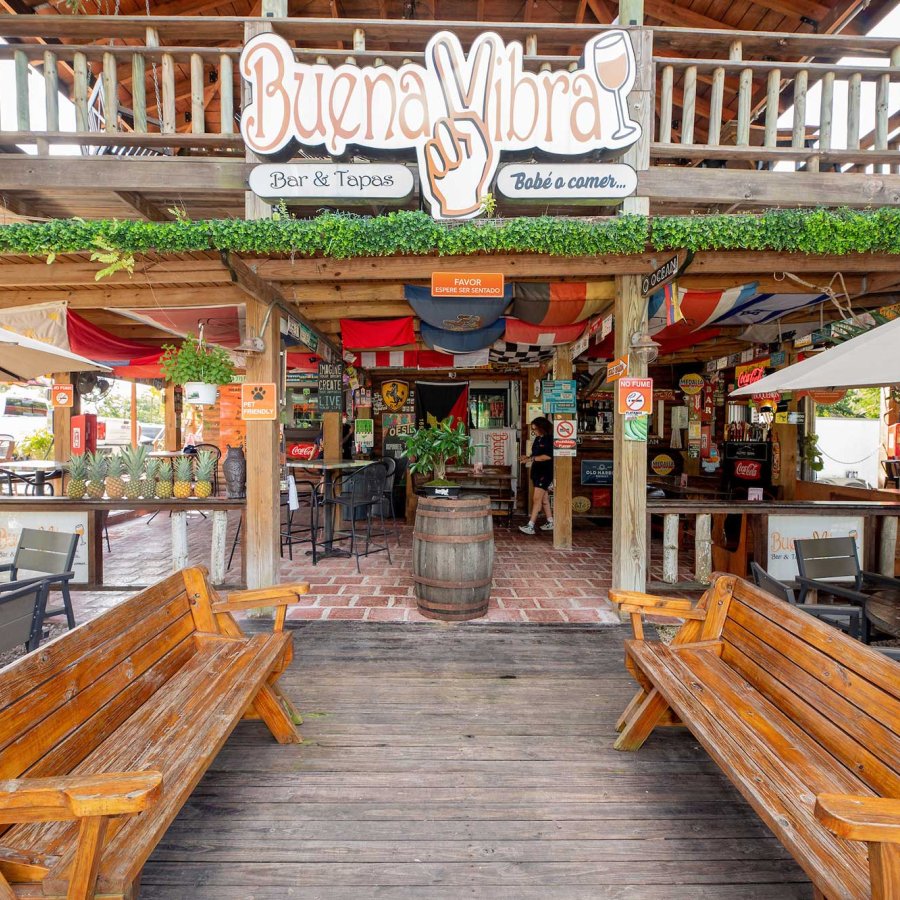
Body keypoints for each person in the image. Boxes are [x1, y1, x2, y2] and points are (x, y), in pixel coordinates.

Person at [519, 416, 554, 535]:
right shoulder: (538, 439)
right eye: (532, 429)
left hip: (545, 472)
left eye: (535, 429)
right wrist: (527, 457)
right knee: (544, 500)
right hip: (536, 471)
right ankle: (550, 521)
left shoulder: (549, 439)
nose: (533, 431)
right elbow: (534, 455)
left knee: (536, 499)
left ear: (542, 428)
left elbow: (548, 456)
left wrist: (531, 459)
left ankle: (530, 525)